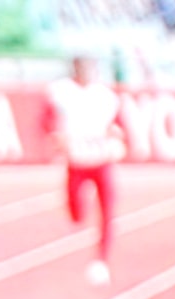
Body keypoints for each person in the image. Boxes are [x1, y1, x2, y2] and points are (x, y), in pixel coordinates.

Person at [45, 55, 124, 285]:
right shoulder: (60, 91)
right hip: (77, 160)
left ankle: (102, 259)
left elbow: (119, 123)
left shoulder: (106, 96)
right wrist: (54, 135)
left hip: (102, 160)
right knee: (76, 213)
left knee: (108, 212)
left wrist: (117, 133)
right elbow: (47, 120)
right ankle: (80, 210)